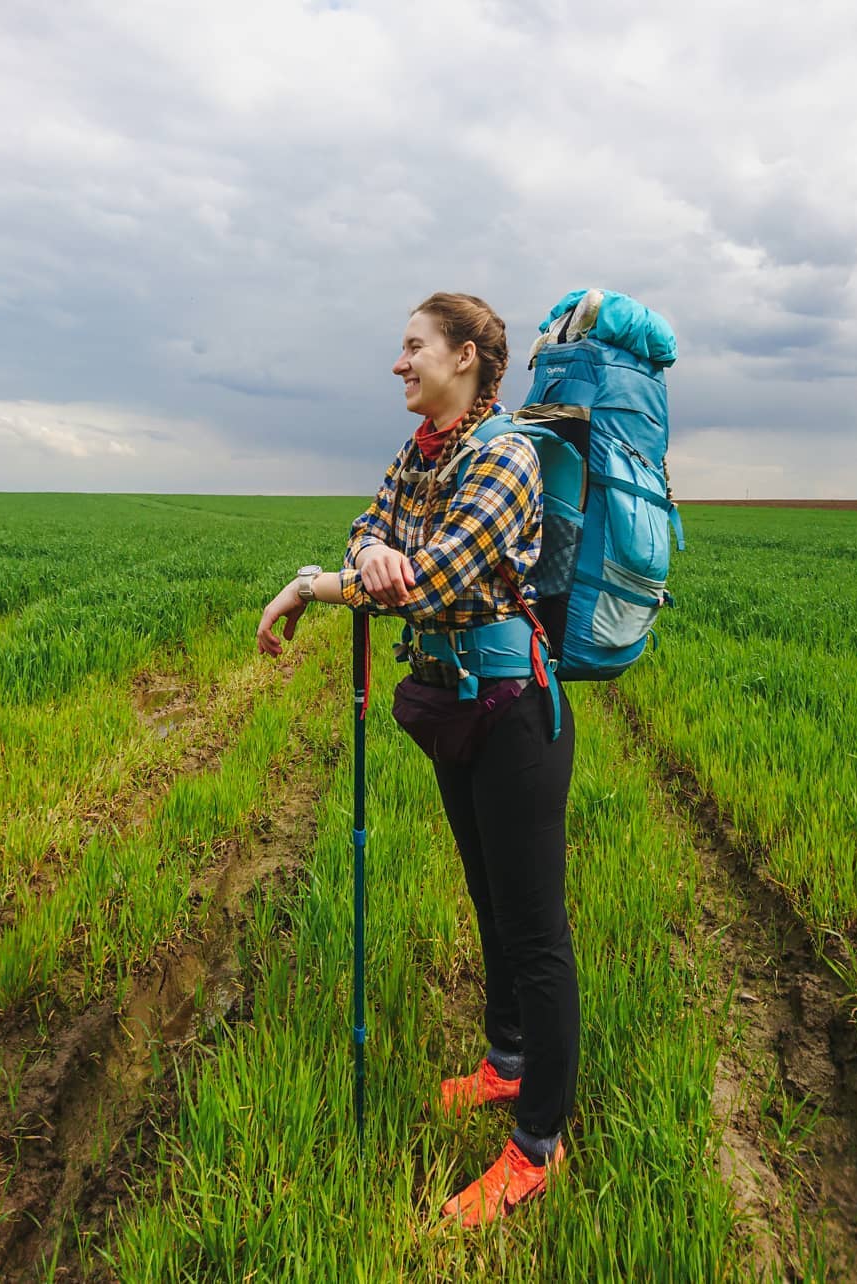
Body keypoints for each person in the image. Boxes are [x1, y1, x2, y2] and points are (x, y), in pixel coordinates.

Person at [256, 292, 578, 1226]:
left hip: (515, 714)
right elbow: (374, 526)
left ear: (467, 357)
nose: (399, 364)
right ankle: (505, 1065)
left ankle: (538, 1145)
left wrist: (319, 585)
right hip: (449, 706)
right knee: (486, 898)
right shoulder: (420, 452)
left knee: (534, 929)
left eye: (413, 348)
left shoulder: (506, 456)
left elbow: (435, 573)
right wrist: (368, 552)